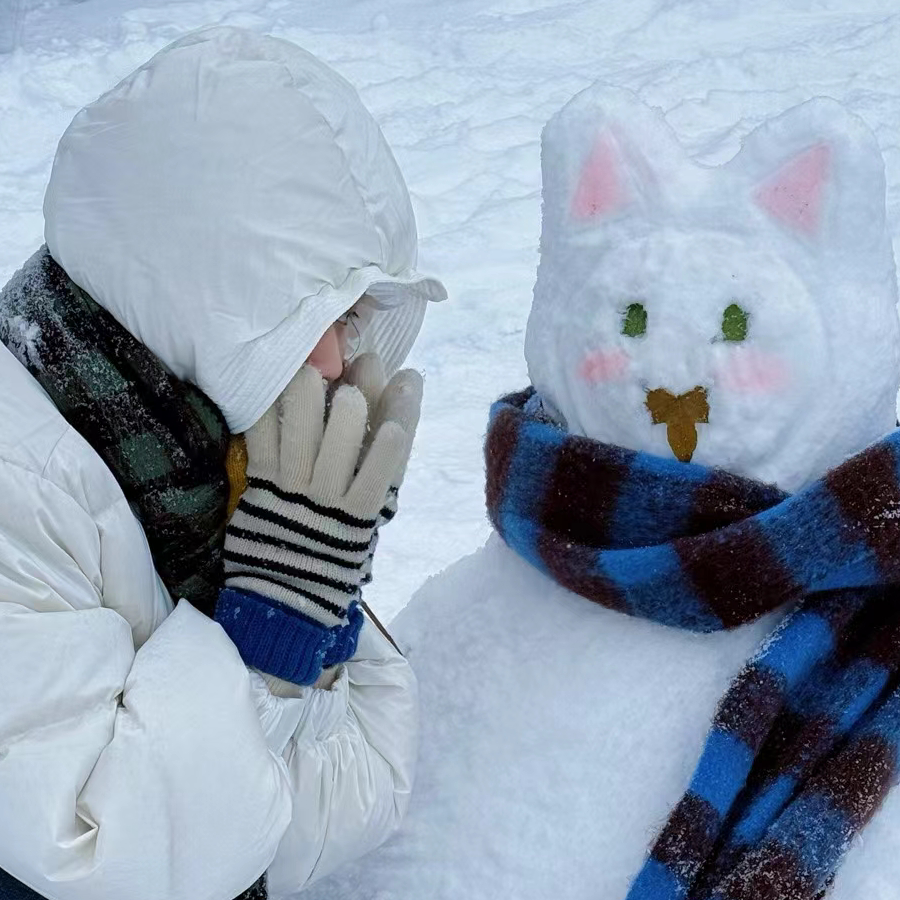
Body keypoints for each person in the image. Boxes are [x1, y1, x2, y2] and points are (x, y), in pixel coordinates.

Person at [0, 25, 445, 900]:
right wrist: (268, 637)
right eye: (332, 311)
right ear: (214, 296)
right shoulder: (22, 490)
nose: (347, 358)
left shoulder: (199, 475)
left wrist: (315, 587)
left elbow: (359, 787)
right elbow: (101, 865)